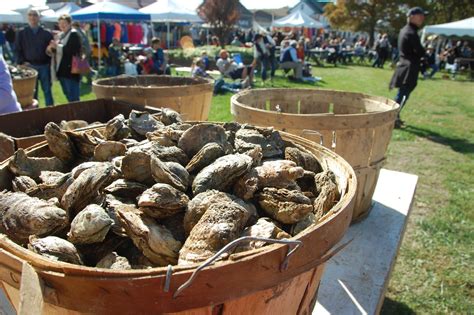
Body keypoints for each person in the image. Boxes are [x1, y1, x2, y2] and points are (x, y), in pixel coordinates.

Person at [389, 7, 427, 128]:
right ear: (411, 17)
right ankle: (392, 117)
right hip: (408, 67)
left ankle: (394, 116)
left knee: (403, 94)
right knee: (402, 94)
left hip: (406, 66)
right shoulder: (410, 32)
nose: (422, 18)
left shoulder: (407, 30)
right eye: (419, 16)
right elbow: (420, 51)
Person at [15, 9, 54, 106]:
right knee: (32, 93)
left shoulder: (46, 33)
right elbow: (17, 49)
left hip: (44, 66)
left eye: (35, 15)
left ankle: (51, 111)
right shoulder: (22, 33)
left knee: (47, 91)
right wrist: (21, 62)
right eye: (30, 15)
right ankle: (35, 112)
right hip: (30, 66)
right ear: (27, 17)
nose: (33, 17)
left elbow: (52, 50)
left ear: (39, 17)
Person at [47, 14, 82, 102]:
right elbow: (58, 51)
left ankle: (77, 114)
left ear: (70, 23)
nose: (62, 25)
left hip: (71, 71)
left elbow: (72, 51)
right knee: (68, 96)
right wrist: (52, 48)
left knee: (73, 97)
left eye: (64, 23)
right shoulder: (60, 35)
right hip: (62, 71)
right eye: (60, 23)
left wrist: (57, 47)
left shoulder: (74, 34)